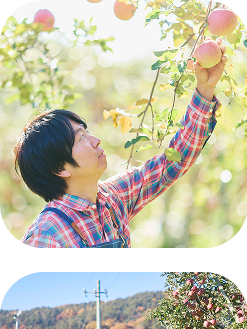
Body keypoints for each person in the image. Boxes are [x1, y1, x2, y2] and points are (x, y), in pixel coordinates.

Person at [11, 43, 228, 247]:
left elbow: (171, 164)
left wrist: (205, 87)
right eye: (81, 138)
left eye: (88, 133)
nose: (96, 140)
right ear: (60, 168)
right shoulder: (47, 235)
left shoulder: (112, 199)